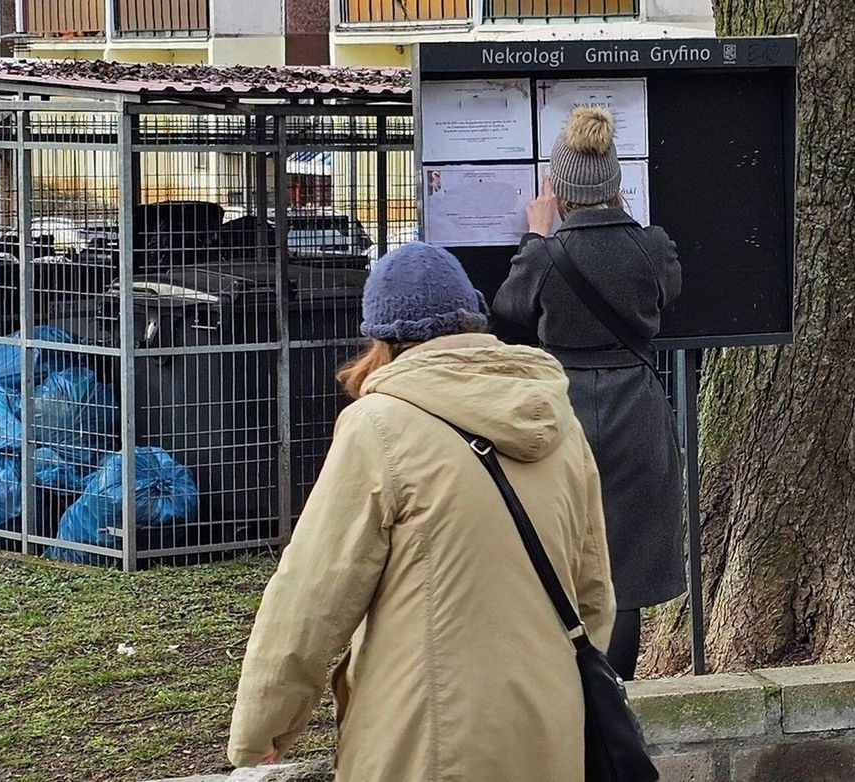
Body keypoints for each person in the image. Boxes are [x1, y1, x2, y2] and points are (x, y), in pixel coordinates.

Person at [228, 241, 615, 781]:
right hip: (551, 725)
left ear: (380, 338)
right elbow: (593, 591)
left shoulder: (378, 428)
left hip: (425, 735)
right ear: (472, 319)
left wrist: (261, 731)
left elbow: (313, 596)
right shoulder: (557, 419)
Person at [494, 106, 685, 681]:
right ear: (615, 185)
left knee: (555, 551)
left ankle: (562, 685)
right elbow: (668, 292)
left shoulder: (545, 255)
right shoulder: (653, 247)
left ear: (559, 189)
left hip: (563, 410)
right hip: (637, 409)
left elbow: (508, 312)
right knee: (623, 569)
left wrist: (534, 233)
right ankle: (614, 692)